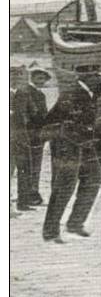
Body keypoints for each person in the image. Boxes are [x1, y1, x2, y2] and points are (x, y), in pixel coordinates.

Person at [41, 51, 101, 243]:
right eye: (96, 76)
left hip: (83, 144)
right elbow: (55, 122)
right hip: (67, 144)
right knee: (64, 187)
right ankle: (51, 231)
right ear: (85, 77)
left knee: (94, 179)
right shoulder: (71, 94)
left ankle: (75, 223)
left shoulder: (89, 92)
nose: (100, 79)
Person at [12, 67, 52, 210]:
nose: (41, 81)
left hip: (32, 137)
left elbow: (39, 114)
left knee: (31, 168)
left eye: (43, 79)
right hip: (25, 136)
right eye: (38, 78)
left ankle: (29, 197)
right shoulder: (26, 91)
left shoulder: (34, 94)